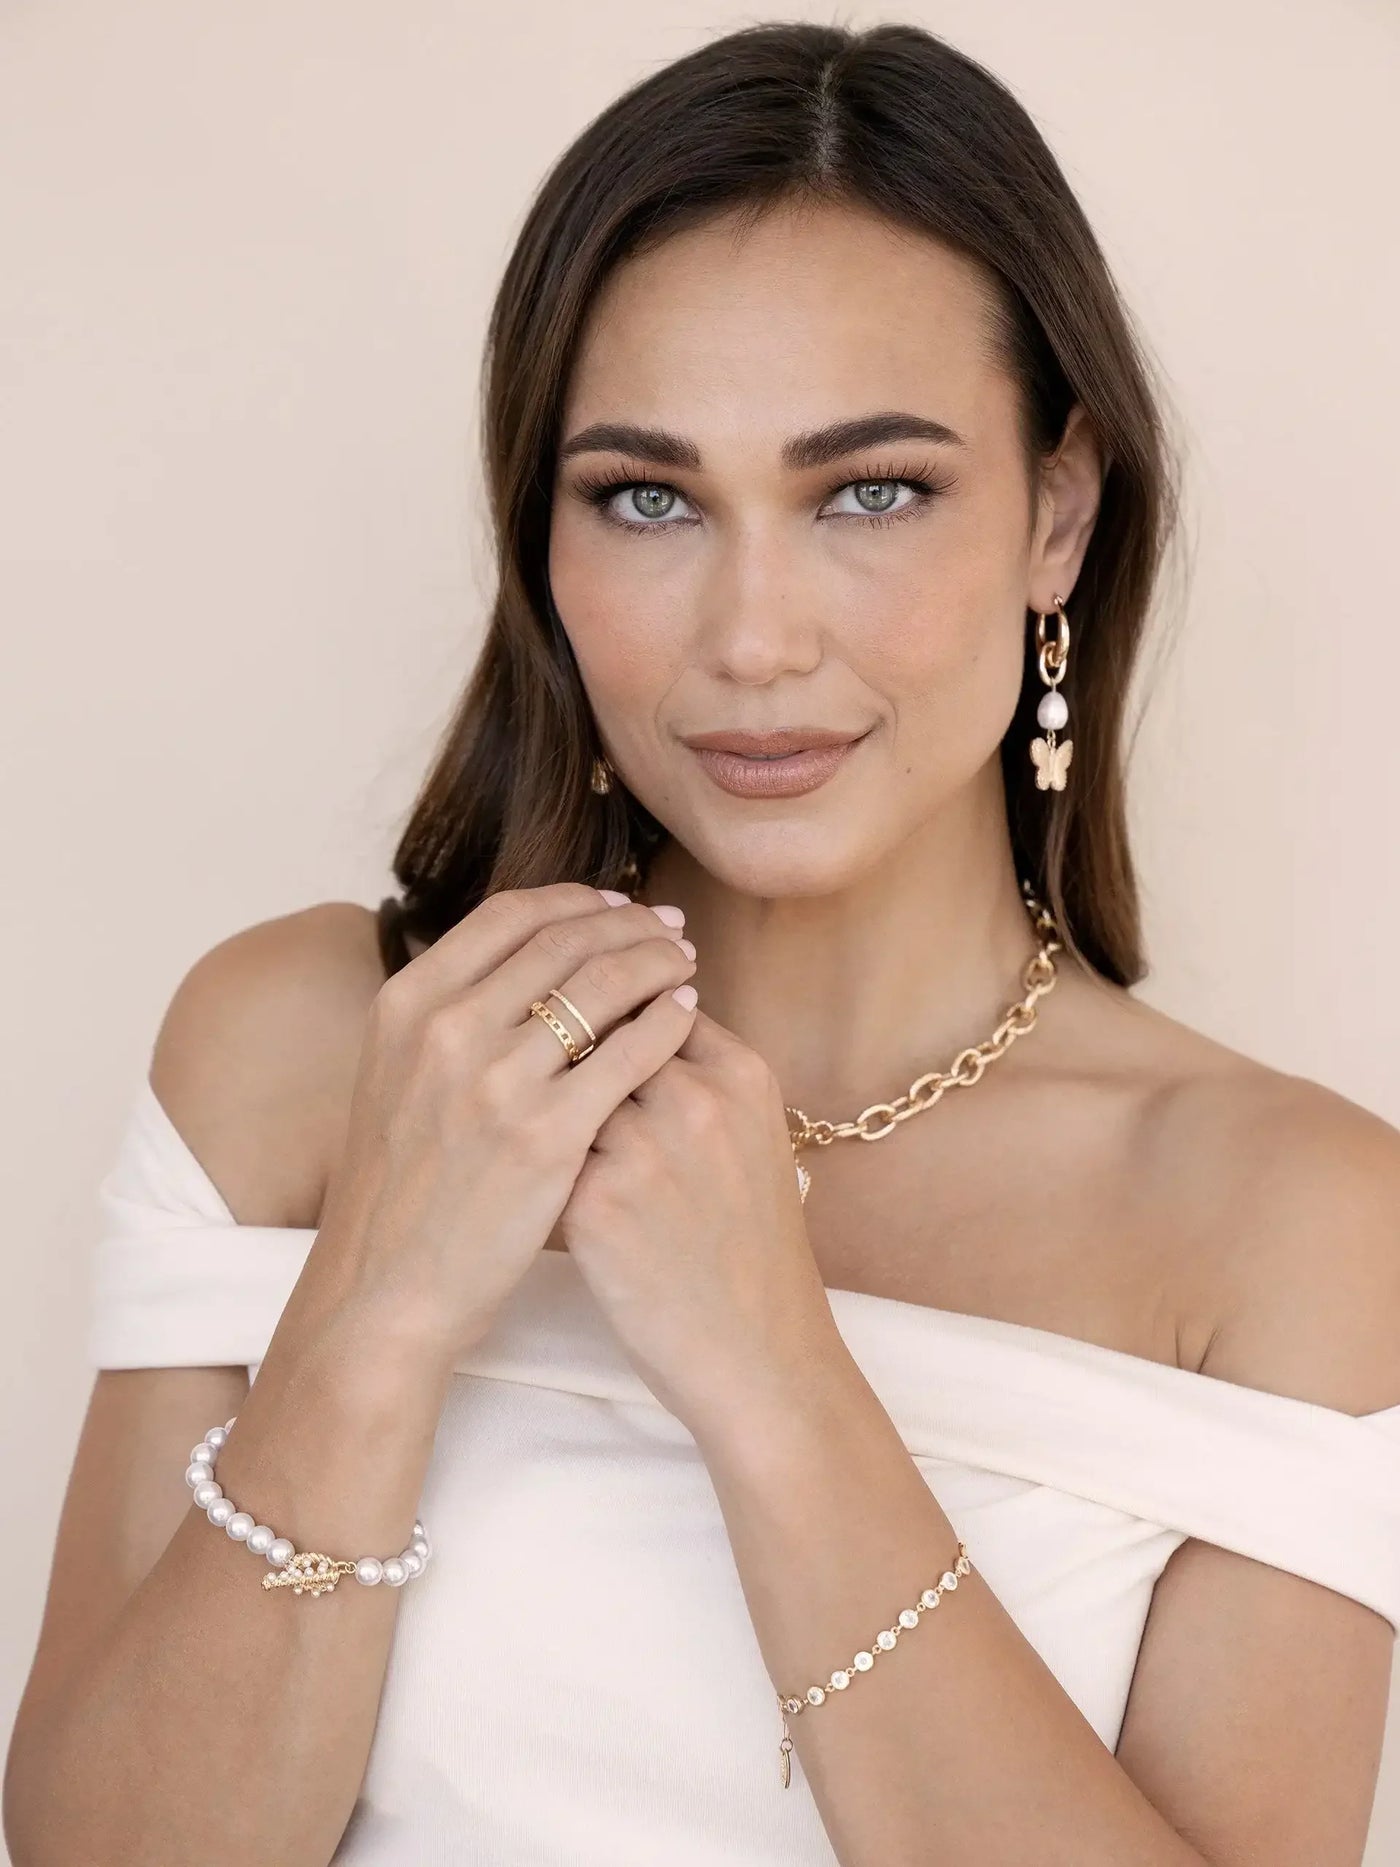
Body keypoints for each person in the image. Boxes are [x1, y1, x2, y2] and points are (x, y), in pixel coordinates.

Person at [6, 18, 1399, 1867]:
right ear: (547, 538)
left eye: (871, 491)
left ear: (1057, 515)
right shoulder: (304, 1047)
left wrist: (774, 1379)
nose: (752, 638)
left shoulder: (1295, 1222)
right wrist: (383, 1303)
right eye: (647, 498)